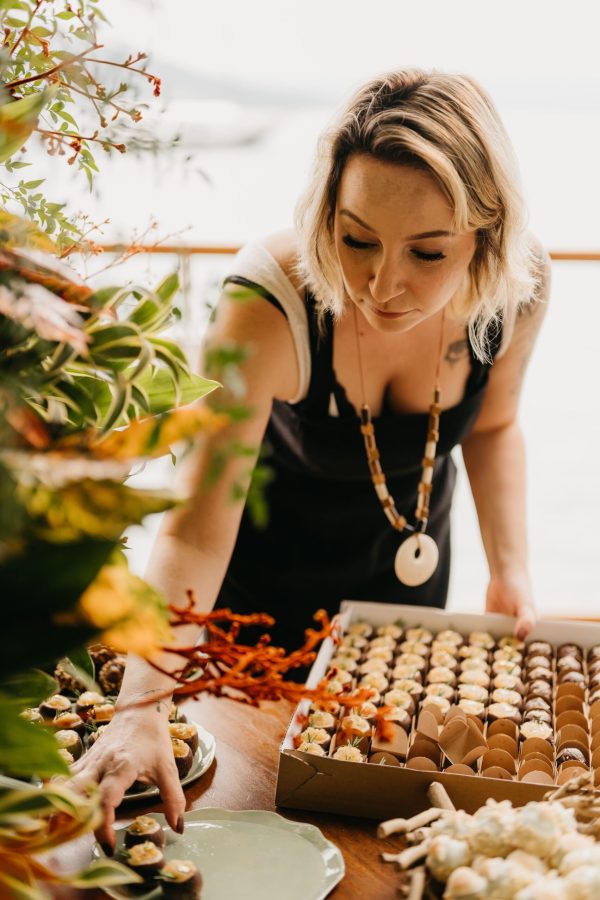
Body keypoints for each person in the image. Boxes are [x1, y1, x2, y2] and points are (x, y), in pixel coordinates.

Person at [70, 68, 549, 847]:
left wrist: (512, 568)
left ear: (485, 239)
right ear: (326, 214)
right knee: (245, 823)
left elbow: (493, 428)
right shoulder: (266, 300)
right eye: (355, 238)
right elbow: (193, 526)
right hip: (250, 613)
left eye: (427, 253)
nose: (380, 284)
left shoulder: (516, 290)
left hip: (400, 609)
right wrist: (141, 709)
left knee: (375, 834)